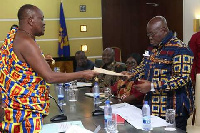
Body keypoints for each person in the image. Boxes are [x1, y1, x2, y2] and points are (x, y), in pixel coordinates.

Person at [0, 4, 98, 133]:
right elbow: (50, 77)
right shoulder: (27, 42)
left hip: (13, 107)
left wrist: (39, 62)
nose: (44, 23)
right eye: (41, 19)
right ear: (30, 20)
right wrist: (83, 74)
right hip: (25, 111)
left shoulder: (14, 37)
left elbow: (18, 66)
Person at [124, 16, 194, 131]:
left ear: (164, 30)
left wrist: (152, 86)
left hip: (173, 110)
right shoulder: (152, 48)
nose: (150, 38)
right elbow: (143, 66)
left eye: (153, 34)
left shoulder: (180, 49)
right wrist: (130, 73)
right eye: (148, 35)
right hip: (153, 108)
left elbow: (181, 78)